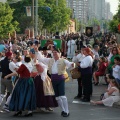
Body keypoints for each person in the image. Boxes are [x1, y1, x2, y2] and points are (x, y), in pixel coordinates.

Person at [36, 47, 75, 117]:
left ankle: (67, 111)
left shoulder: (63, 60)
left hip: (60, 79)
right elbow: (41, 59)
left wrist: (72, 64)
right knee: (57, 97)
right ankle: (63, 110)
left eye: (56, 52)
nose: (54, 54)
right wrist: (37, 51)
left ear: (59, 53)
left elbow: (70, 64)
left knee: (62, 96)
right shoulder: (50, 60)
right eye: (53, 53)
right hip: (53, 79)